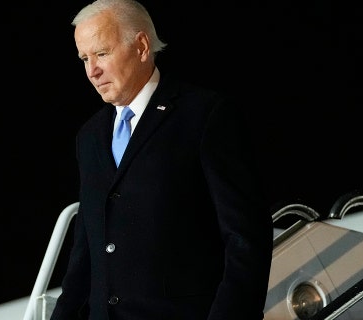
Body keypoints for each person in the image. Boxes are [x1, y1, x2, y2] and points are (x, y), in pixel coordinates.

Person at [50, 0, 273, 319]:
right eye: (84, 58)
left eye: (101, 53)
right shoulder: (89, 136)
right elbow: (87, 252)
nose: (91, 71)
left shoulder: (204, 116)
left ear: (141, 46)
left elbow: (246, 240)